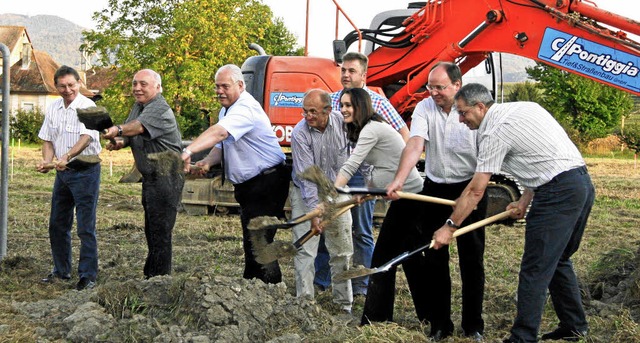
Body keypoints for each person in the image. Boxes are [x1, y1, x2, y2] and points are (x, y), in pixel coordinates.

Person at [431, 83, 595, 343]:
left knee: (535, 269)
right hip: (581, 184)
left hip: (557, 194)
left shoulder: (493, 133)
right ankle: (574, 326)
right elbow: (542, 156)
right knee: (558, 260)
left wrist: (449, 227)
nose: (461, 120)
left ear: (480, 106)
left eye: (463, 113)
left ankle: (522, 337)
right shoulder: (526, 108)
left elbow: (475, 191)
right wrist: (524, 199)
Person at [386, 62, 488, 342]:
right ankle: (441, 324)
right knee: (434, 257)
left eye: (439, 87)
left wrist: (474, 192)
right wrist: (399, 179)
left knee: (471, 259)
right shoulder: (424, 108)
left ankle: (473, 326)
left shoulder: (473, 111)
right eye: (430, 86)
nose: (433, 92)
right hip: (435, 189)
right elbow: (415, 144)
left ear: (457, 85)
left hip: (469, 189)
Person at [181, 64, 289, 284]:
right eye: (217, 86)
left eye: (225, 86)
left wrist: (188, 150)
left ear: (240, 85)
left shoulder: (245, 108)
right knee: (252, 241)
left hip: (267, 183)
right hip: (250, 186)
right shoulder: (227, 109)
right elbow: (223, 144)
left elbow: (220, 132)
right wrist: (208, 161)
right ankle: (254, 286)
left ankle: (271, 290)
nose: (219, 91)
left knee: (259, 243)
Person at [316, 51, 409, 296]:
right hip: (335, 173)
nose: (346, 75)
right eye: (343, 70)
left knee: (361, 230)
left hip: (362, 176)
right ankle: (322, 281)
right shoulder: (333, 101)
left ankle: (363, 285)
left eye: (352, 71)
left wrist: (397, 171)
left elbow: (403, 133)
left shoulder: (377, 103)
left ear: (364, 75)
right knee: (328, 224)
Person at [332, 88, 425, 328]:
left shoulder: (371, 129)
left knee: (385, 258)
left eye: (348, 105)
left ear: (361, 106)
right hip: (401, 197)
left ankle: (377, 319)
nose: (343, 109)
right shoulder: (368, 128)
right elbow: (385, 164)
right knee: (410, 258)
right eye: (342, 105)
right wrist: (368, 190)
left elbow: (352, 164)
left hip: (410, 198)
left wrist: (332, 192)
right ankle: (426, 317)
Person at [103, 69, 185, 279]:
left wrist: (117, 130)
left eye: (143, 84)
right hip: (151, 178)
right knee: (152, 231)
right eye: (134, 84)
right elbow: (133, 135)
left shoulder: (159, 107)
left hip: (167, 176)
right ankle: (152, 278)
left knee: (160, 233)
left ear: (157, 87)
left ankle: (159, 281)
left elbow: (138, 128)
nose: (137, 88)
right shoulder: (139, 106)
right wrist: (120, 142)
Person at [36, 66, 102, 291]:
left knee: (85, 226)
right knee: (57, 224)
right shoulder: (53, 107)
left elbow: (87, 137)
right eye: (62, 86)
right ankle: (61, 270)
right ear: (56, 86)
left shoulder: (89, 106)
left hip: (86, 171)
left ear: (79, 83)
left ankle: (87, 275)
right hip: (63, 174)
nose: (67, 90)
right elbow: (47, 138)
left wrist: (67, 155)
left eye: (71, 85)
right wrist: (47, 161)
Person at [289, 89, 354, 312]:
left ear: (328, 110)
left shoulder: (344, 125)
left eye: (313, 111)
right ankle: (305, 304)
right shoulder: (300, 133)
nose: (308, 116)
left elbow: (350, 162)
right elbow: (307, 177)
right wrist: (314, 211)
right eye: (305, 111)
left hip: (336, 189)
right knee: (305, 249)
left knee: (342, 249)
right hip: (306, 192)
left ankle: (344, 305)